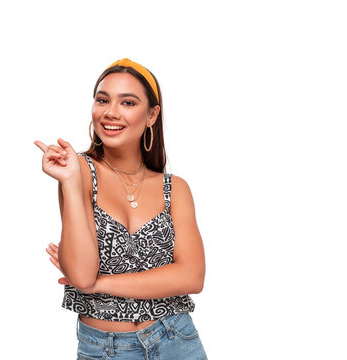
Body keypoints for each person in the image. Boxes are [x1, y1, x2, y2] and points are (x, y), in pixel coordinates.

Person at [34, 58, 207, 359]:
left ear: (152, 115)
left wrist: (101, 283)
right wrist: (70, 183)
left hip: (176, 337)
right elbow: (82, 276)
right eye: (103, 100)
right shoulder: (79, 172)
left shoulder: (175, 188)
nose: (110, 112)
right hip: (105, 348)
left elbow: (192, 277)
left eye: (127, 102)